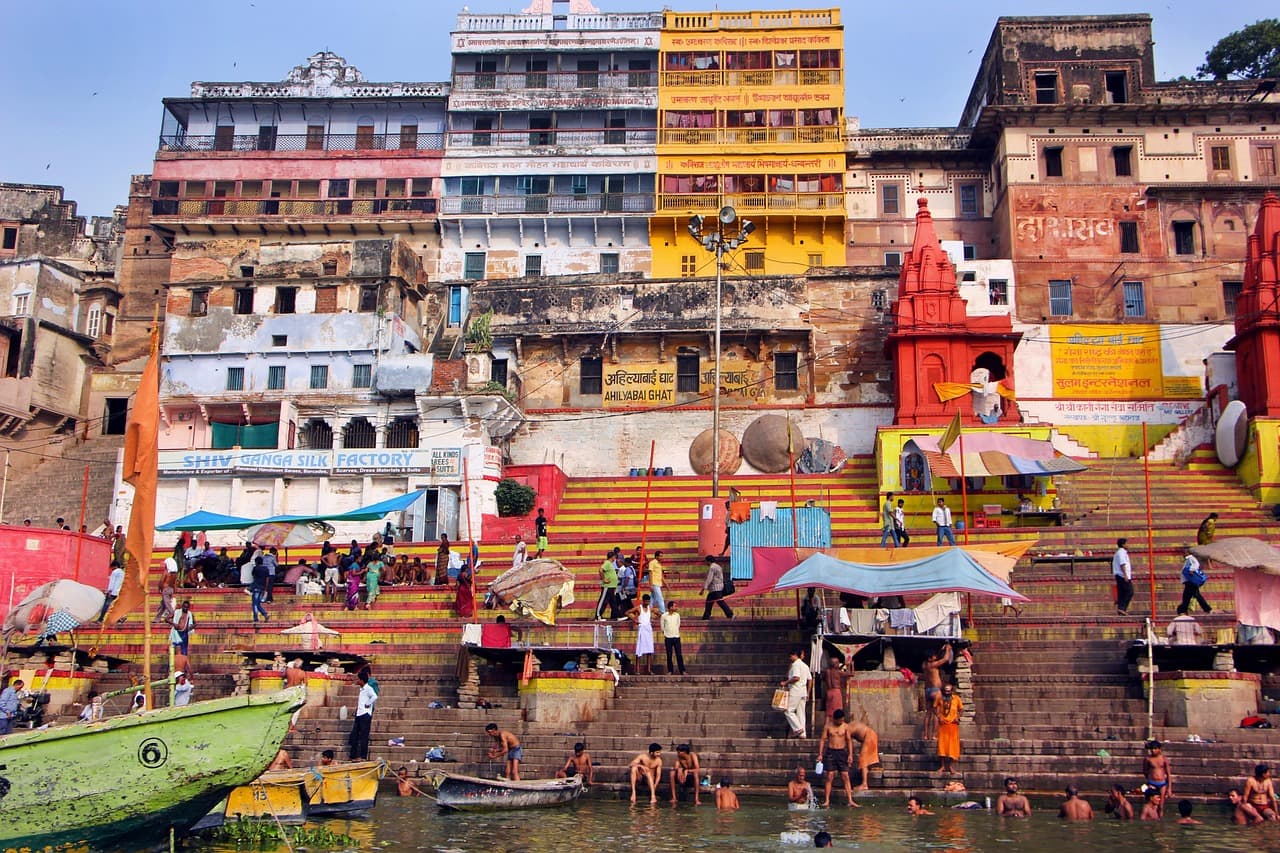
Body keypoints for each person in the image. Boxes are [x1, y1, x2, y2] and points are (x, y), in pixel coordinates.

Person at [817, 709, 857, 807]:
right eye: (839, 720)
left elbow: (849, 741)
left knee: (845, 776)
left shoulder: (846, 726)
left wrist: (850, 755)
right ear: (835, 719)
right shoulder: (828, 726)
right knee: (830, 776)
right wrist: (820, 754)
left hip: (842, 752)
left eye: (842, 720)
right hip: (831, 752)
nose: (841, 722)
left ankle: (850, 800)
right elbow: (822, 740)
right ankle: (827, 800)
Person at [921, 644, 953, 741]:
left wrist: (941, 650)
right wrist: (947, 649)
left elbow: (936, 658)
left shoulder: (924, 664)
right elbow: (945, 659)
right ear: (929, 658)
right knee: (936, 713)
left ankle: (925, 735)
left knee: (928, 714)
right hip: (935, 691)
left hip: (927, 690)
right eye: (933, 656)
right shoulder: (933, 665)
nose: (935, 657)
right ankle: (934, 735)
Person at [781, 647, 812, 739]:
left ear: (794, 655)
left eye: (791, 656)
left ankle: (798, 729)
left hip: (796, 690)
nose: (790, 658)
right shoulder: (805, 665)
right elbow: (810, 679)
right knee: (801, 713)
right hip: (803, 691)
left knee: (788, 710)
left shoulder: (796, 665)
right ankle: (803, 734)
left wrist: (785, 683)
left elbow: (796, 677)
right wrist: (808, 692)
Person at [933, 683, 962, 774]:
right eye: (945, 691)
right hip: (943, 725)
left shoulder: (956, 698)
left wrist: (957, 718)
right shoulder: (939, 698)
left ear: (951, 691)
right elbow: (934, 707)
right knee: (942, 746)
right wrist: (939, 717)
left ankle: (950, 766)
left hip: (953, 725)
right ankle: (942, 766)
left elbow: (961, 709)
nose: (947, 692)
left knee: (952, 747)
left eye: (949, 691)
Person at [348, 670, 376, 760]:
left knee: (364, 736)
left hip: (365, 715)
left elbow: (374, 696)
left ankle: (363, 756)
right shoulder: (362, 689)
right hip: (359, 714)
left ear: (361, 680)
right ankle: (353, 755)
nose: (357, 681)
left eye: (358, 679)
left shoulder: (368, 688)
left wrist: (368, 703)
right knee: (354, 735)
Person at [1177, 545, 1212, 615]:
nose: (1184, 554)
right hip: (1189, 582)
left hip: (1191, 582)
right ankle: (1182, 610)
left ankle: (1207, 609)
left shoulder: (1190, 558)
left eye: (1185, 552)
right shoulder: (1188, 559)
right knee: (1187, 596)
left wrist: (1191, 570)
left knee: (1193, 596)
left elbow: (1196, 564)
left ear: (1188, 553)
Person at [849, 719, 880, 792]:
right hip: (870, 735)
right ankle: (864, 780)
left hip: (869, 736)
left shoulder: (847, 728)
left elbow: (848, 742)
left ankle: (864, 784)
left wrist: (850, 755)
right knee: (864, 759)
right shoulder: (850, 726)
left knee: (863, 760)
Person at [629, 594, 655, 675]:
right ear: (643, 601)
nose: (647, 603)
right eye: (646, 601)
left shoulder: (650, 608)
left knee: (649, 650)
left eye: (648, 601)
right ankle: (637, 670)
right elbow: (627, 612)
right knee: (639, 650)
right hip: (642, 630)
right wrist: (634, 619)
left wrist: (654, 618)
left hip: (648, 630)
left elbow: (659, 614)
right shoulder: (638, 608)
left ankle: (649, 670)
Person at [1143, 739, 1172, 810]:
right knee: (1152, 806)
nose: (1153, 750)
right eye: (1152, 749)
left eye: (1155, 748)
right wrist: (1149, 781)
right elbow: (1145, 771)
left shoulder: (1164, 759)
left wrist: (1169, 788)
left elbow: (1168, 774)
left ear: (1159, 749)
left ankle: (1160, 816)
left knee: (1161, 806)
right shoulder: (1148, 759)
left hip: (1162, 784)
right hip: (1152, 783)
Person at [662, 600, 687, 676]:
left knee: (679, 654)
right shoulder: (664, 616)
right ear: (670, 607)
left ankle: (682, 670)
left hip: (676, 637)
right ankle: (670, 671)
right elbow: (662, 627)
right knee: (669, 655)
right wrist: (666, 634)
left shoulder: (677, 615)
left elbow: (678, 625)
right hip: (668, 638)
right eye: (674, 606)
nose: (676, 607)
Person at [595, 549, 619, 620]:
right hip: (607, 586)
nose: (615, 558)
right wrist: (604, 579)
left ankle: (615, 616)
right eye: (614, 557)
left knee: (613, 603)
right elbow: (600, 570)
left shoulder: (610, 564)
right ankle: (598, 616)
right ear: (612, 557)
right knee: (603, 601)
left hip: (612, 586)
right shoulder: (607, 563)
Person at [1113, 538, 1134, 616]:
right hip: (1122, 575)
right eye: (1126, 543)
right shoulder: (1121, 553)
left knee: (1122, 592)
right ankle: (1122, 608)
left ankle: (1121, 609)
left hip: (1121, 575)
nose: (1128, 545)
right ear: (1123, 544)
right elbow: (1122, 564)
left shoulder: (1121, 553)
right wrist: (1125, 575)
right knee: (1129, 592)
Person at [250, 556, 271, 624]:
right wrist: (266, 588)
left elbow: (253, 576)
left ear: (256, 562)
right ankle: (265, 614)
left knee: (255, 604)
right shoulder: (266, 569)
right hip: (262, 587)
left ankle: (256, 619)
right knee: (258, 603)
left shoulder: (255, 568)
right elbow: (267, 579)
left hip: (256, 587)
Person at [647, 549, 667, 615]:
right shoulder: (652, 563)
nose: (661, 557)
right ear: (656, 556)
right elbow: (650, 574)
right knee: (660, 598)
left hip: (658, 583)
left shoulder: (659, 564)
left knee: (652, 600)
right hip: (654, 583)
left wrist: (665, 583)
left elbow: (661, 575)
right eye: (660, 556)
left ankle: (648, 612)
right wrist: (651, 585)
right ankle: (663, 613)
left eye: (662, 556)